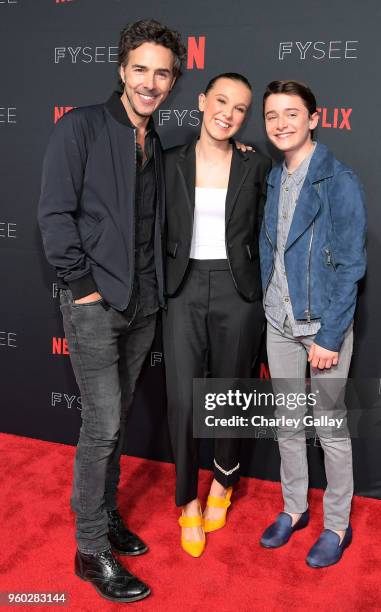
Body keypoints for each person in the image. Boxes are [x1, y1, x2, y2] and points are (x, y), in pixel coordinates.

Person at [38, 19, 185, 602]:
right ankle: (90, 548)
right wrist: (82, 285)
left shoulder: (155, 141)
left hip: (143, 305)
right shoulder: (81, 127)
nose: (151, 82)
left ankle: (104, 515)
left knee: (115, 423)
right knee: (102, 427)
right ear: (122, 69)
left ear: (173, 82)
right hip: (96, 307)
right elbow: (54, 213)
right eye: (141, 69)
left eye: (163, 73)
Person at [258, 80, 367, 567]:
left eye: (291, 114)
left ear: (314, 118)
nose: (281, 124)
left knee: (329, 427)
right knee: (287, 424)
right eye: (272, 116)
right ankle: (294, 508)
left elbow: (350, 264)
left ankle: (338, 526)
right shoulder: (274, 176)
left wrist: (329, 334)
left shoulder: (337, 179)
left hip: (322, 325)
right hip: (278, 320)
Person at [163, 73, 271, 557]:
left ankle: (223, 484)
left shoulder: (257, 165)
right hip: (182, 290)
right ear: (203, 102)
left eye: (240, 108)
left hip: (238, 290)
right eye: (221, 101)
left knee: (230, 392)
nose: (227, 113)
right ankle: (187, 501)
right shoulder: (167, 164)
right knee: (185, 400)